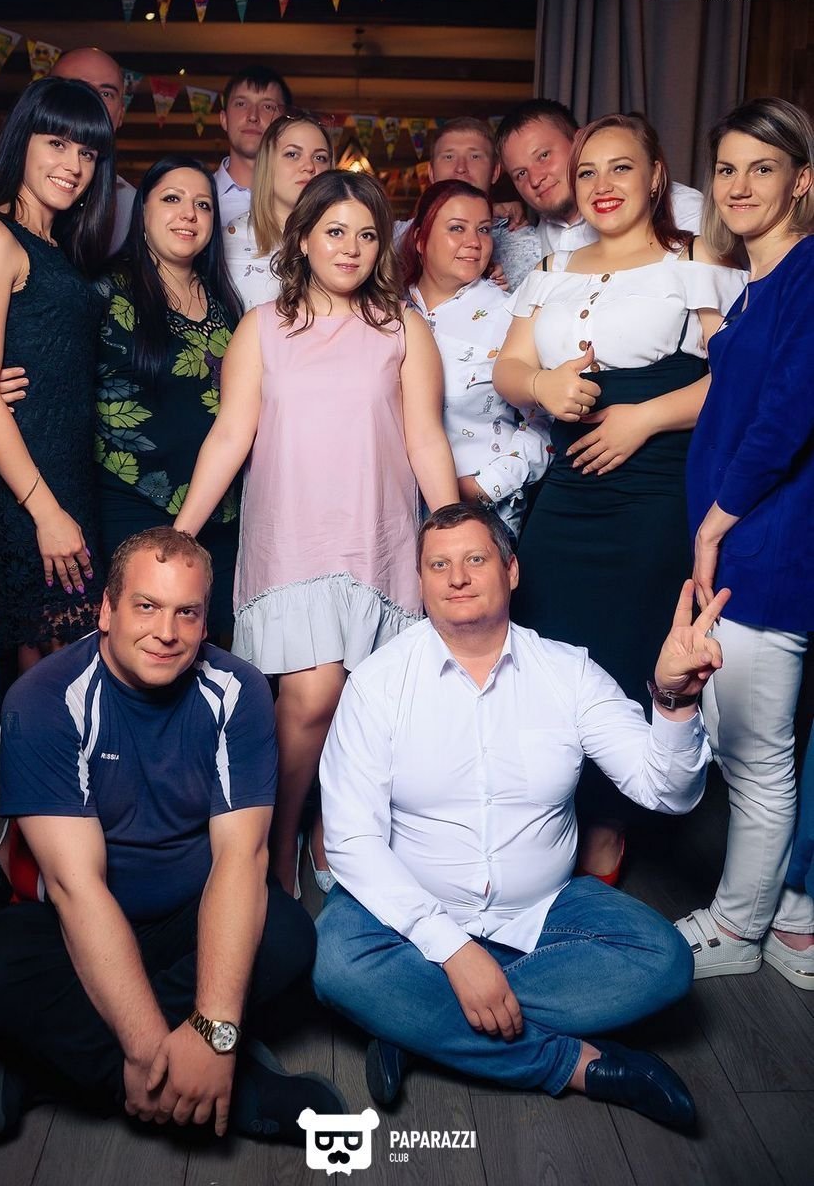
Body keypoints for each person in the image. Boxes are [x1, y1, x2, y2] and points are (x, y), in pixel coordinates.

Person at [314, 503, 730, 1130]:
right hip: (408, 911)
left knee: (665, 961)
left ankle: (410, 1020)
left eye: (474, 559)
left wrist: (675, 701)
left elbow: (666, 792)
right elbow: (351, 841)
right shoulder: (377, 684)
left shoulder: (568, 673)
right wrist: (454, 951)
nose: (457, 577)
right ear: (421, 582)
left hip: (542, 911)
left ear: (510, 571)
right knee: (336, 959)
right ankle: (577, 1065)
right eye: (439, 565)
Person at [0, 527, 346, 1145]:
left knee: (288, 936)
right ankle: (229, 1091)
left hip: (192, 915)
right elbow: (77, 889)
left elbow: (240, 860)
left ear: (204, 621)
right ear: (106, 610)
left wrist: (212, 1032)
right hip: (79, 921)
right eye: (146, 606)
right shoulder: (44, 700)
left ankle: (51, 1069)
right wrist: (143, 1052)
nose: (167, 632)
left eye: (186, 613)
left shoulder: (238, 690)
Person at [174, 170, 458, 896]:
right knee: (309, 698)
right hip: (291, 539)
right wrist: (177, 539)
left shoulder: (402, 328)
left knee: (364, 709)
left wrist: (454, 534)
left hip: (377, 538)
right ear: (301, 238)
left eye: (366, 235)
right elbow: (230, 435)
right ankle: (275, 843)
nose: (351, 247)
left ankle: (335, 830)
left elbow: (426, 438)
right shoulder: (262, 327)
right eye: (335, 231)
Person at [493, 113, 745, 880]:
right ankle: (543, 816)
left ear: (656, 175)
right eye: (587, 172)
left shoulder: (693, 258)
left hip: (653, 493)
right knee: (542, 642)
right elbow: (507, 368)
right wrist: (543, 384)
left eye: (620, 167)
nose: (601, 185)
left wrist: (643, 417)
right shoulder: (551, 269)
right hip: (567, 491)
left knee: (627, 647)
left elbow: (738, 378)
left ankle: (606, 829)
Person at [674, 97, 814, 987]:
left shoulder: (807, 272)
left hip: (768, 543)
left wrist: (716, 520)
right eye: (725, 168)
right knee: (737, 743)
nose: (737, 185)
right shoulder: (757, 285)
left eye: (761, 168)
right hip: (740, 544)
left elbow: (789, 411)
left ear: (800, 181)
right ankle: (777, 914)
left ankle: (735, 928)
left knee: (757, 756)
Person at [0, 76, 116, 672]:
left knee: (64, 678)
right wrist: (44, 512)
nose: (73, 165)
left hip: (66, 479)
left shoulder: (54, 244)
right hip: (29, 489)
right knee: (58, 680)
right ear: (22, 141)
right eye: (57, 143)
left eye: (87, 152)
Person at [95, 157, 243, 645]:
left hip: (219, 513)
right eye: (172, 199)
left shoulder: (225, 301)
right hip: (131, 504)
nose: (189, 214)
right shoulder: (106, 290)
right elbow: (59, 389)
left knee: (211, 646)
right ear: (142, 212)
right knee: (141, 646)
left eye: (203, 204)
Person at [401, 178, 550, 535]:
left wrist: (486, 486)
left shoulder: (509, 315)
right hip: (397, 508)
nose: (474, 242)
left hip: (482, 515)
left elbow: (545, 420)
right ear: (420, 239)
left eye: (483, 229)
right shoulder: (387, 309)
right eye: (457, 228)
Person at [0, 46, 134, 255]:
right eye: (57, 144)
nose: (88, 101)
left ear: (121, 113)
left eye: (105, 93)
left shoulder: (129, 201)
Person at [496, 100, 703, 257]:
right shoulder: (526, 244)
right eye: (521, 173)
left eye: (543, 156)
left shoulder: (683, 210)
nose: (535, 179)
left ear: (579, 141)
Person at [411, 117, 542, 290]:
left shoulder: (524, 245)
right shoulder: (398, 237)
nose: (460, 168)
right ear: (431, 173)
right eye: (449, 156)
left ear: (495, 172)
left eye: (475, 156)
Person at [224, 111, 333, 311]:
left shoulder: (347, 243)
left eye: (320, 157)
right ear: (267, 163)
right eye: (292, 154)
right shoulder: (228, 242)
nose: (309, 166)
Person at [215, 65, 293, 229]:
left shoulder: (302, 199)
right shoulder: (199, 196)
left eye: (268, 107)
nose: (252, 116)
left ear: (284, 123)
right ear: (224, 119)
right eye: (241, 104)